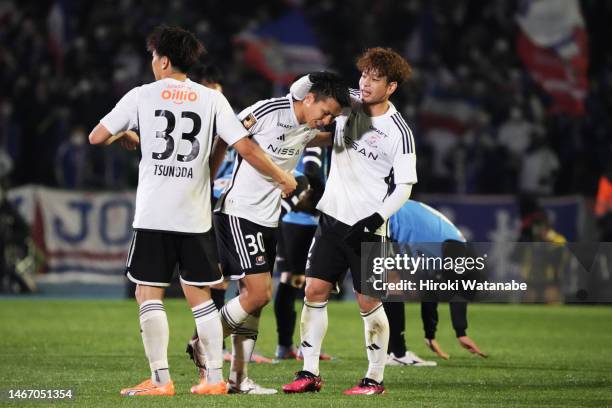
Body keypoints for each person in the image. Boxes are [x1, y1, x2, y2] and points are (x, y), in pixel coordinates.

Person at [88, 25, 296, 397]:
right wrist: (281, 176)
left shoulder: (141, 95)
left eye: (154, 56)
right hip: (196, 215)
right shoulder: (211, 99)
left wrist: (129, 135)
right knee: (201, 295)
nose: (153, 62)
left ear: (163, 60)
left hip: (154, 214)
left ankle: (160, 381)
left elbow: (96, 136)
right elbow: (244, 148)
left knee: (147, 293)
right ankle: (214, 378)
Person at [192, 71, 349, 394]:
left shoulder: (307, 127)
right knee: (259, 293)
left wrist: (353, 128)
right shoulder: (269, 110)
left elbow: (324, 137)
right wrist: (209, 176)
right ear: (309, 99)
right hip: (239, 212)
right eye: (326, 112)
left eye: (333, 116)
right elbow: (232, 137)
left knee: (254, 300)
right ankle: (204, 342)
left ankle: (238, 379)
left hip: (268, 218)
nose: (327, 120)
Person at [282, 47, 416, 395]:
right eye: (364, 74)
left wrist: (375, 218)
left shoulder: (398, 131)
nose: (366, 83)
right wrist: (316, 79)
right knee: (313, 290)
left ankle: (374, 379)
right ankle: (308, 373)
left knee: (368, 302)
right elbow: (300, 96)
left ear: (392, 87)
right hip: (331, 220)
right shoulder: (349, 102)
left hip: (368, 229)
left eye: (376, 78)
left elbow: (404, 187)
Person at [384, 200, 487, 365]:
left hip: (390, 214)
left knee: (390, 284)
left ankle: (393, 352)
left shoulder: (447, 248)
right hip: (388, 217)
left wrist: (429, 336)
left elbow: (430, 294)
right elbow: (457, 294)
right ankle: (397, 353)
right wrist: (461, 332)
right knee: (391, 283)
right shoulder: (457, 249)